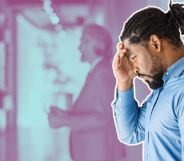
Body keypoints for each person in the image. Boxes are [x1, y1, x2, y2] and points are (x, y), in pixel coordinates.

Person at [112, 1, 184, 161]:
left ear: (155, 44)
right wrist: (124, 81)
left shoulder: (181, 91)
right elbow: (131, 133)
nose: (134, 68)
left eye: (133, 57)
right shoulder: (165, 87)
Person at [48, 24, 126, 161]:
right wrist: (66, 114)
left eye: (85, 41)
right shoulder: (97, 71)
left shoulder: (102, 73)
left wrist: (63, 120)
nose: (80, 47)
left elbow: (102, 117)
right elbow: (95, 110)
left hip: (98, 154)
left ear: (99, 45)